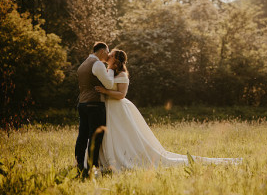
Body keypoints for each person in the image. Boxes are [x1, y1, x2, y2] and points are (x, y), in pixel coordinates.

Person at [91, 49, 241, 172]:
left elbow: (121, 95)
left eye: (110, 55)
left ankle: (124, 158)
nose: (108, 56)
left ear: (116, 59)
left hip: (119, 108)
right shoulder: (110, 72)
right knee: (113, 135)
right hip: (110, 109)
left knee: (124, 135)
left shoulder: (122, 75)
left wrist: (105, 91)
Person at [75, 42, 115, 172]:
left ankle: (80, 162)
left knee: (82, 135)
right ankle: (92, 166)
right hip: (95, 104)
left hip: (82, 103)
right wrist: (111, 70)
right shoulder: (97, 64)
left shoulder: (83, 64)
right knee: (95, 135)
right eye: (108, 52)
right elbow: (109, 84)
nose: (108, 55)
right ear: (103, 51)